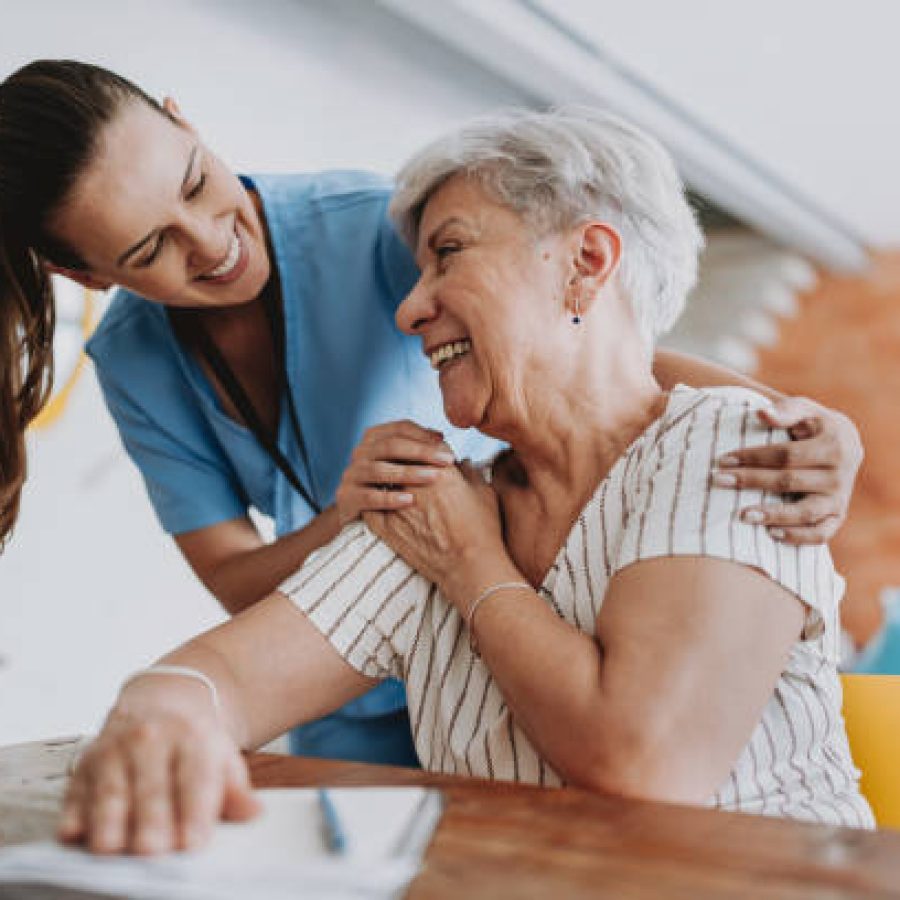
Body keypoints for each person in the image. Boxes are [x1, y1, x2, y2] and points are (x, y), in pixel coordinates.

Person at [0, 60, 862, 766]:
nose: (210, 241)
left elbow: (576, 347)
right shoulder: (139, 362)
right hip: (370, 652)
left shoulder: (377, 226)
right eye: (151, 248)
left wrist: (783, 417)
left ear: (189, 125)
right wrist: (357, 518)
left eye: (194, 182)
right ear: (92, 278)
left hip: (489, 623)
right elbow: (230, 608)